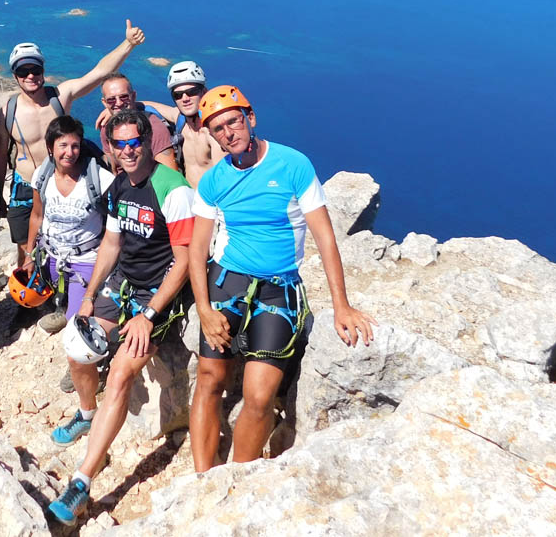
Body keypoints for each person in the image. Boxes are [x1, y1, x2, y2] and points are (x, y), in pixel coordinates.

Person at [187, 85, 375, 472]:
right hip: (226, 281)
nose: (229, 133)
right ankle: (202, 480)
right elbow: (197, 247)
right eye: (218, 129)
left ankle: (238, 478)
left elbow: (324, 235)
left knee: (259, 396)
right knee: (210, 377)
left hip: (278, 288)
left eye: (233, 122)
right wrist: (203, 309)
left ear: (250, 118)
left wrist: (341, 304)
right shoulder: (213, 181)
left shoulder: (293, 165)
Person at [46, 109, 194, 526]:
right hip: (123, 284)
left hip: (156, 296)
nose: (128, 152)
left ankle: (82, 481)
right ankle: (88, 416)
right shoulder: (117, 187)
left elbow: (184, 259)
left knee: (120, 374)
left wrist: (148, 315)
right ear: (110, 146)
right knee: (77, 351)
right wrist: (90, 294)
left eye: (135, 143)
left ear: (148, 141)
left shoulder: (172, 188)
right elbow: (112, 242)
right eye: (119, 144)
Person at [0, 19, 146, 269]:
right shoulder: (8, 111)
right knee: (25, 248)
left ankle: (70, 291)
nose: (30, 76)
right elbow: (0, 155)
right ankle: (29, 298)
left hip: (65, 185)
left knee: (74, 243)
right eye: (23, 71)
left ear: (43, 70)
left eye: (35, 69)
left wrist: (127, 44)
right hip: (24, 187)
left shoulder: (60, 97)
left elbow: (98, 73)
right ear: (15, 76)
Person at [23, 115, 115, 386]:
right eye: (62, 145)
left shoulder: (99, 179)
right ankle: (65, 314)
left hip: (85, 259)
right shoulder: (43, 175)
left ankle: (81, 364)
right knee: (62, 297)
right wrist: (30, 255)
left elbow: (113, 227)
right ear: (50, 147)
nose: (69, 152)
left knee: (81, 321)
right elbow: (37, 216)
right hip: (52, 254)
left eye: (75, 146)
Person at [95, 73, 179, 173]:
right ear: (104, 102)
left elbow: (170, 174)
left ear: (134, 96)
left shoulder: (154, 128)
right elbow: (115, 169)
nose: (119, 103)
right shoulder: (106, 128)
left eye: (124, 97)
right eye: (111, 99)